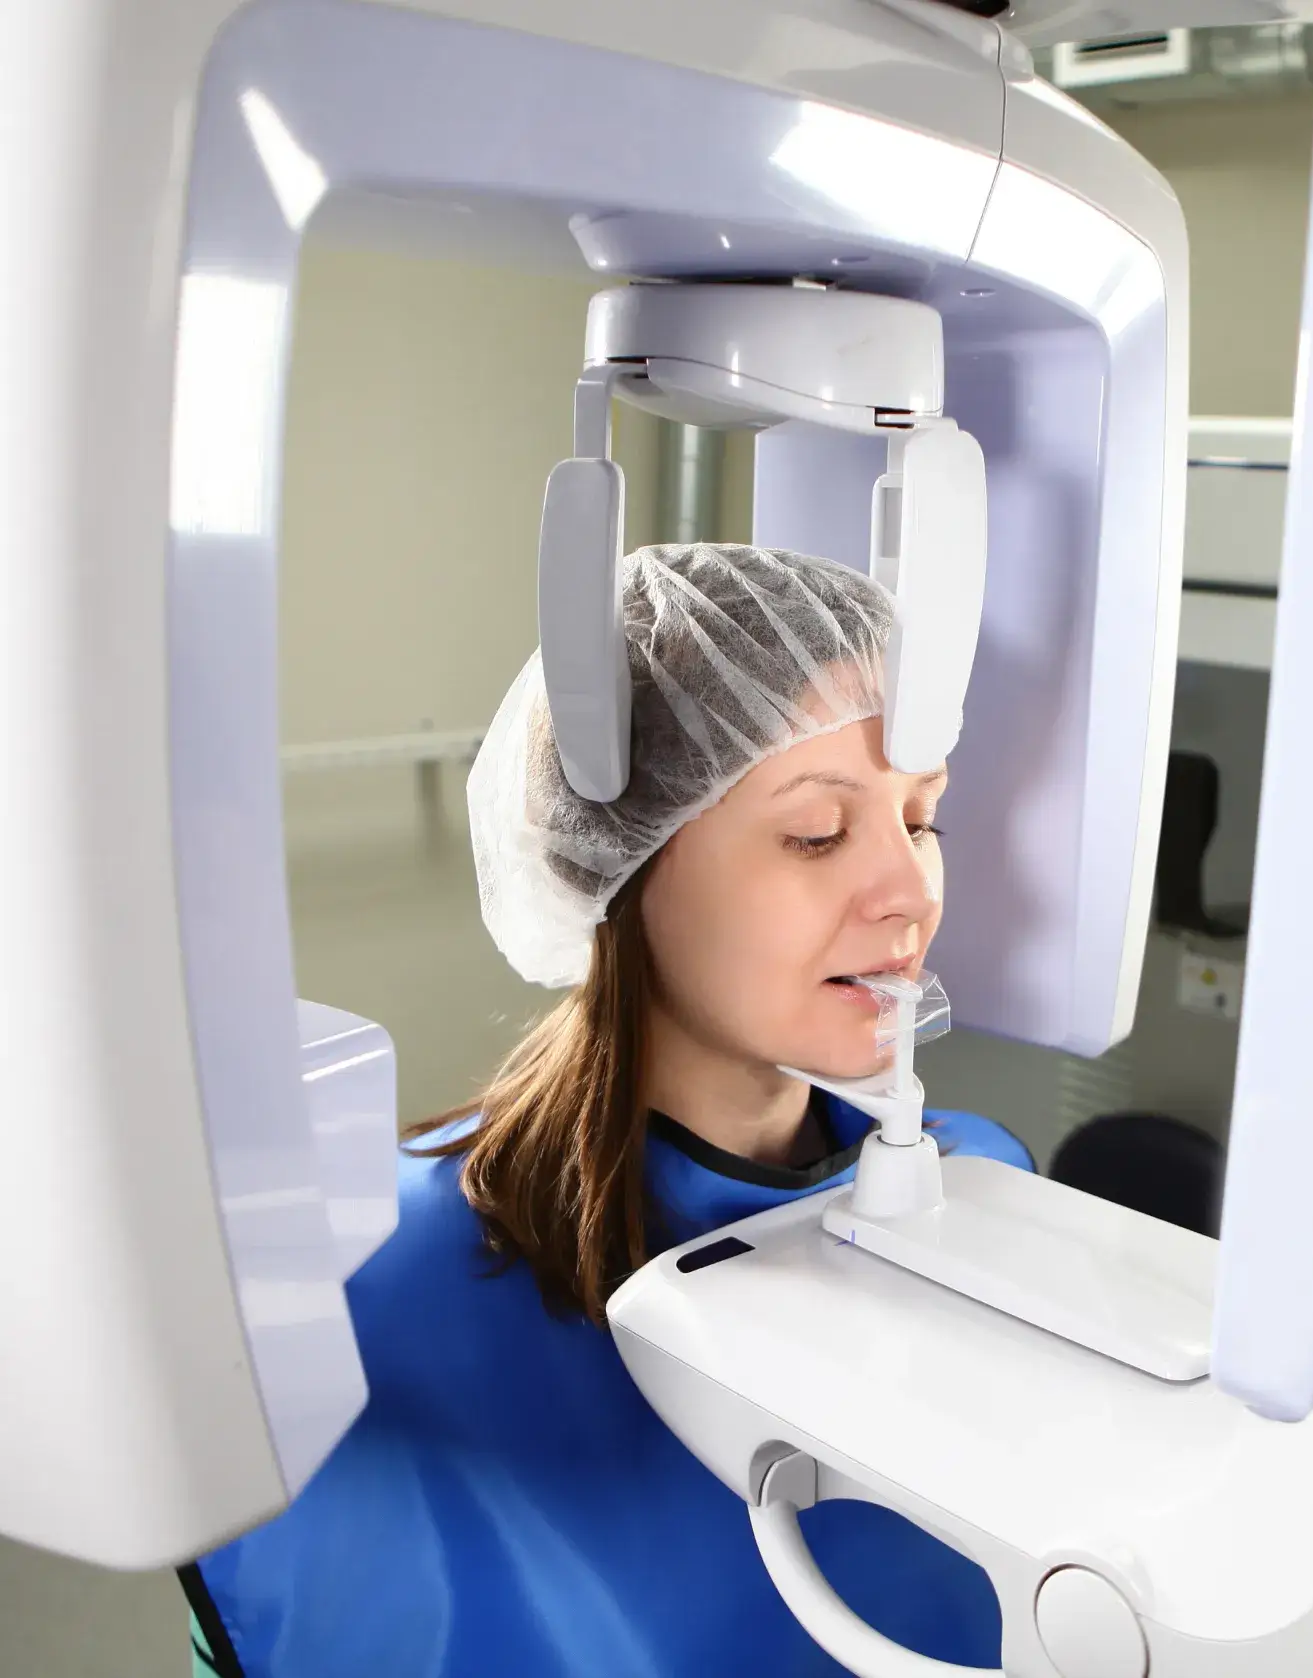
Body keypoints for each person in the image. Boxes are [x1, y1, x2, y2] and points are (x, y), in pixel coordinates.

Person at [181, 544, 1031, 1678]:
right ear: (614, 861)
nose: (908, 889)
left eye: (920, 818)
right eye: (817, 833)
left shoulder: (982, 1190)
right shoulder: (356, 1282)